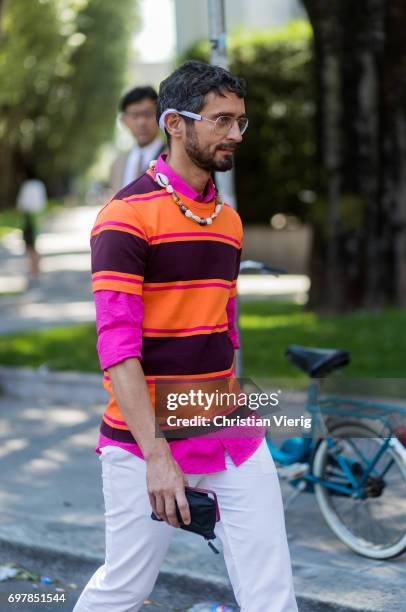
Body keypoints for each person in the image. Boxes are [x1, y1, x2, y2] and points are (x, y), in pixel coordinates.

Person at [73, 61, 298, 612]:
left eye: (241, 122)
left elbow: (225, 328)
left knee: (271, 591)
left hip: (231, 431)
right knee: (126, 587)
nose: (235, 136)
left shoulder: (229, 222)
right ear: (175, 123)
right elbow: (118, 351)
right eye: (221, 121)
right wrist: (157, 454)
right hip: (144, 439)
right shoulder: (123, 218)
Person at [109, 85, 166, 193]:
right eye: (135, 115)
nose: (141, 122)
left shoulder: (174, 158)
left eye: (148, 114)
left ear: (160, 115)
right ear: (124, 120)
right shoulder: (117, 164)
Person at [16, 175, 47, 288]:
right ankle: (37, 270)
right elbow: (43, 203)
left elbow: (20, 205)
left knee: (29, 247)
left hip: (28, 219)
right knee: (35, 245)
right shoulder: (40, 185)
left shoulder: (26, 186)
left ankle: (32, 271)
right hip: (37, 218)